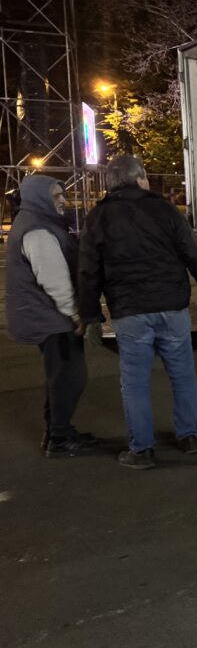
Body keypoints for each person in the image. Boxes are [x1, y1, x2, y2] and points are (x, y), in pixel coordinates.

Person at [78, 156, 197, 470]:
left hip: (130, 311)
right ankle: (189, 436)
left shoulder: (98, 217)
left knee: (134, 383)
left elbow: (89, 271)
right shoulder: (166, 210)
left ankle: (142, 450)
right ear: (140, 178)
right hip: (172, 306)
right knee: (183, 374)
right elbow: (193, 253)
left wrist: (91, 316)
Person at [5, 175, 98, 458]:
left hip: (42, 314)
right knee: (68, 376)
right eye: (56, 196)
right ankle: (59, 437)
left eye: (62, 194)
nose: (63, 201)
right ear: (40, 199)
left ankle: (59, 431)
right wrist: (74, 314)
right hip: (49, 317)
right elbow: (53, 279)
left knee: (59, 376)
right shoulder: (38, 231)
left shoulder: (37, 223)